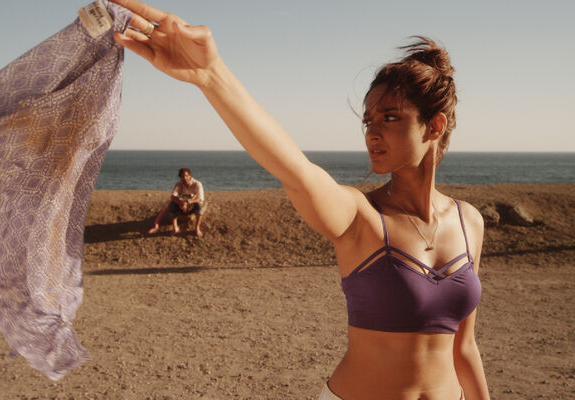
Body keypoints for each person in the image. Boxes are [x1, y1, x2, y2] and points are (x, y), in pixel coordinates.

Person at [111, 1, 490, 398]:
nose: (372, 132)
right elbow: (294, 169)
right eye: (368, 120)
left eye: (390, 117)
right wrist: (211, 75)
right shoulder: (360, 216)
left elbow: (464, 348)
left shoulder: (469, 223)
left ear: (434, 126)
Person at [147, 167, 205, 236]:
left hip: (192, 204)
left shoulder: (197, 184)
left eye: (186, 176)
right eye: (182, 176)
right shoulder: (178, 184)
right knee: (171, 205)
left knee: (199, 206)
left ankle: (197, 228)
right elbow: (173, 196)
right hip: (181, 205)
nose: (184, 178)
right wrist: (180, 203)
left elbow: (200, 198)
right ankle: (175, 228)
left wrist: (188, 202)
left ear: (190, 176)